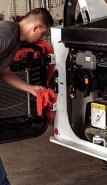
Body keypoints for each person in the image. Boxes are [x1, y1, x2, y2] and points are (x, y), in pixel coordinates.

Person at [0, 8, 53, 185]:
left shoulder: (14, 40)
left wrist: (31, 89)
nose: (42, 39)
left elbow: (4, 73)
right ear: (36, 27)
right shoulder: (7, 31)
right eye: (43, 34)